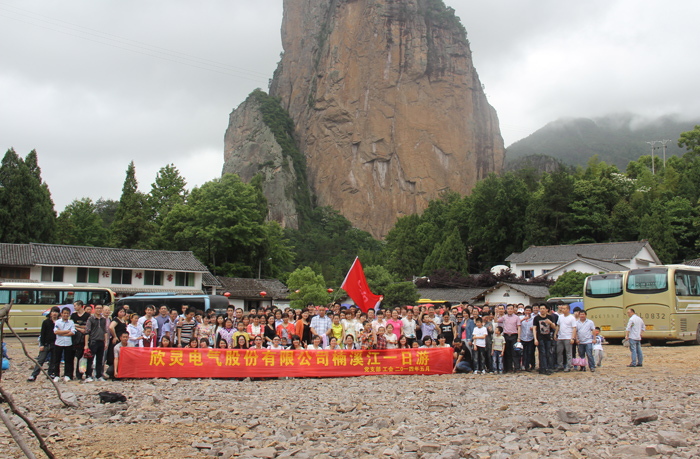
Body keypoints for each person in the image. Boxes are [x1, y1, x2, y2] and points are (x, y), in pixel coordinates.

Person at [28, 306, 60, 381]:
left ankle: (50, 374)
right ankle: (34, 375)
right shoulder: (46, 322)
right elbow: (43, 334)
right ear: (51, 313)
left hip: (56, 344)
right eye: (53, 312)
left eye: (56, 312)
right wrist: (42, 344)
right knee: (41, 360)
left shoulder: (59, 322)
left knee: (53, 360)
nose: (55, 313)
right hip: (46, 344)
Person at [84, 304, 109, 382]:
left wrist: (105, 342)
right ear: (94, 309)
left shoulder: (103, 320)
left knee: (100, 359)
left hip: (101, 341)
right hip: (93, 341)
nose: (99, 310)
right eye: (97, 308)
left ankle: (99, 375)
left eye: (100, 308)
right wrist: (86, 345)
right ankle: (88, 375)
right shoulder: (91, 319)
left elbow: (105, 331)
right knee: (90, 359)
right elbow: (87, 332)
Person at [52, 307, 76, 382]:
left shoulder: (71, 322)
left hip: (68, 343)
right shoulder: (58, 322)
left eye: (67, 313)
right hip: (59, 343)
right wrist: (66, 331)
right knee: (57, 360)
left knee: (68, 360)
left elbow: (72, 332)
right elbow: (56, 332)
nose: (65, 315)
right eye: (64, 313)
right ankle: (56, 375)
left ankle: (67, 375)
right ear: (61, 314)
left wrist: (61, 332)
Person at [533, 304, 557, 375]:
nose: (542, 310)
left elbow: (554, 327)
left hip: (548, 338)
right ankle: (543, 368)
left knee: (548, 353)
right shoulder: (536, 318)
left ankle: (548, 367)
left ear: (547, 309)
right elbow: (534, 329)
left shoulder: (550, 317)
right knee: (542, 353)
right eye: (541, 308)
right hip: (540, 338)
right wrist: (535, 339)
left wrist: (550, 322)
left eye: (543, 308)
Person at [70, 300, 90, 381]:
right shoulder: (74, 315)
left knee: (81, 358)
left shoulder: (87, 315)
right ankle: (70, 374)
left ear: (80, 306)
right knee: (71, 357)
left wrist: (79, 327)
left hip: (83, 339)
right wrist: (79, 328)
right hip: (74, 339)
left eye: (75, 305)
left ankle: (80, 374)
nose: (74, 307)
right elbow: (72, 325)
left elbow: (87, 327)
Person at [555, 304, 577, 372]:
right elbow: (558, 326)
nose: (563, 310)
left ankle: (569, 366)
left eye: (564, 309)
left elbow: (574, 328)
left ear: (568, 309)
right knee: (559, 352)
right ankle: (560, 365)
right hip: (560, 337)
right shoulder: (560, 317)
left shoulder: (572, 318)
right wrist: (556, 334)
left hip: (568, 337)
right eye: (562, 309)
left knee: (568, 352)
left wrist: (572, 338)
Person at [499, 304, 521, 373]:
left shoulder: (517, 317)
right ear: (506, 310)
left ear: (514, 309)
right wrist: (497, 311)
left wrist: (519, 337)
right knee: (507, 353)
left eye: (511, 309)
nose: (510, 310)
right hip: (506, 336)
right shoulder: (504, 317)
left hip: (514, 336)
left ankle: (517, 367)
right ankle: (509, 368)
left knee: (515, 352)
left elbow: (519, 327)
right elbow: (497, 320)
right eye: (508, 309)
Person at [520, 306, 536, 372]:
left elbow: (536, 327)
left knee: (530, 352)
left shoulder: (533, 319)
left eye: (529, 310)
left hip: (530, 337)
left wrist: (533, 328)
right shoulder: (520, 317)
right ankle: (524, 365)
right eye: (526, 310)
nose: (528, 312)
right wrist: (523, 319)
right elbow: (517, 325)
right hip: (522, 337)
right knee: (523, 352)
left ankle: (529, 365)